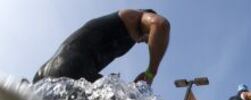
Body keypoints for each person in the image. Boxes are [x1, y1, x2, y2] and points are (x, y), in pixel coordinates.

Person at [33, 9, 170, 85]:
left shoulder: (123, 29)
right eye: (148, 38)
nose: (146, 42)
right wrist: (151, 72)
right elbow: (160, 25)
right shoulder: (135, 17)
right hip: (71, 69)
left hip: (45, 73)